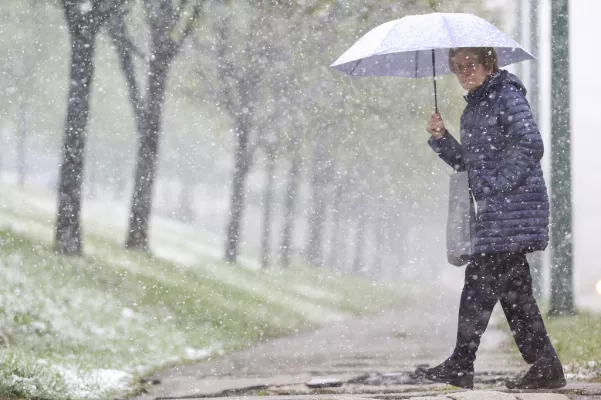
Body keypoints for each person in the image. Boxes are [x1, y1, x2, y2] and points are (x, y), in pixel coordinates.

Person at [416, 47, 566, 390]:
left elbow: (530, 144)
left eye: (470, 64)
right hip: (500, 214)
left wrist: (497, 185)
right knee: (516, 295)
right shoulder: (476, 106)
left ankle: (461, 362)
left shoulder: (505, 94)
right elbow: (468, 165)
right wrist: (441, 139)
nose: (464, 72)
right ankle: (546, 368)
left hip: (511, 211)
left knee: (478, 285)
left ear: (489, 64)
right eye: (457, 67)